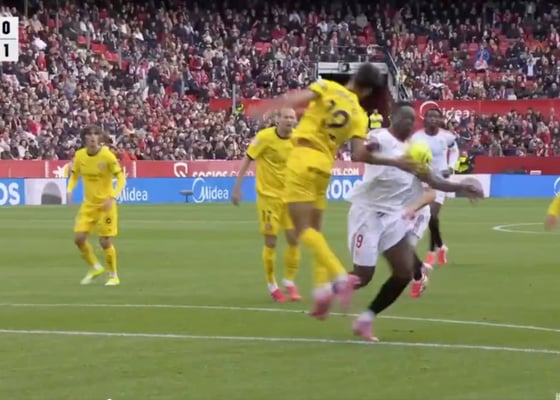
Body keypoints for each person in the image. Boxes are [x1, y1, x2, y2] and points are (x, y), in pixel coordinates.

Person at [249, 64, 417, 320]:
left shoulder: (327, 87)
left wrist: (267, 107)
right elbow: (359, 154)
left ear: (354, 77)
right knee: (316, 231)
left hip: (302, 157)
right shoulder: (359, 115)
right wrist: (396, 161)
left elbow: (297, 98)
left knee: (302, 230)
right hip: (325, 166)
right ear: (368, 91)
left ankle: (339, 275)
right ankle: (320, 290)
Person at [347, 103, 483, 342]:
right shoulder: (380, 136)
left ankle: (366, 319)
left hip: (393, 216)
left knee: (405, 272)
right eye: (405, 118)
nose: (410, 123)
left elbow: (433, 183)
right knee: (364, 276)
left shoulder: (414, 150)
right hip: (368, 214)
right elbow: (361, 152)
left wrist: (462, 186)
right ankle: (329, 289)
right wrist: (377, 152)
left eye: (412, 120)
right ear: (393, 118)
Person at [232, 108, 302, 303]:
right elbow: (247, 159)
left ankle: (289, 281)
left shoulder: (298, 139)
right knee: (271, 242)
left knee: (294, 239)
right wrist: (237, 187)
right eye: (286, 117)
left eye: (292, 117)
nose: (290, 120)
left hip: (290, 197)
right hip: (269, 198)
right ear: (278, 119)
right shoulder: (264, 137)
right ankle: (272, 285)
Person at [67, 126, 126, 286]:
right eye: (89, 134)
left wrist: (112, 197)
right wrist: (69, 190)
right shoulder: (79, 156)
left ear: (100, 138)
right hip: (88, 205)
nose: (93, 137)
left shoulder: (107, 156)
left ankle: (113, 275)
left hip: (106, 205)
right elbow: (74, 175)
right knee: (79, 239)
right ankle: (95, 267)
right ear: (84, 138)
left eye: (95, 134)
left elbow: (121, 178)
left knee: (104, 241)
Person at [411, 109, 459, 267]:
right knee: (426, 217)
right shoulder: (416, 137)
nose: (433, 119)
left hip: (440, 181)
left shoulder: (447, 137)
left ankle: (431, 252)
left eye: (436, 117)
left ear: (440, 120)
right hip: (422, 180)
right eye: (430, 116)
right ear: (424, 119)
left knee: (432, 215)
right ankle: (441, 247)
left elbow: (455, 151)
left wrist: (451, 167)